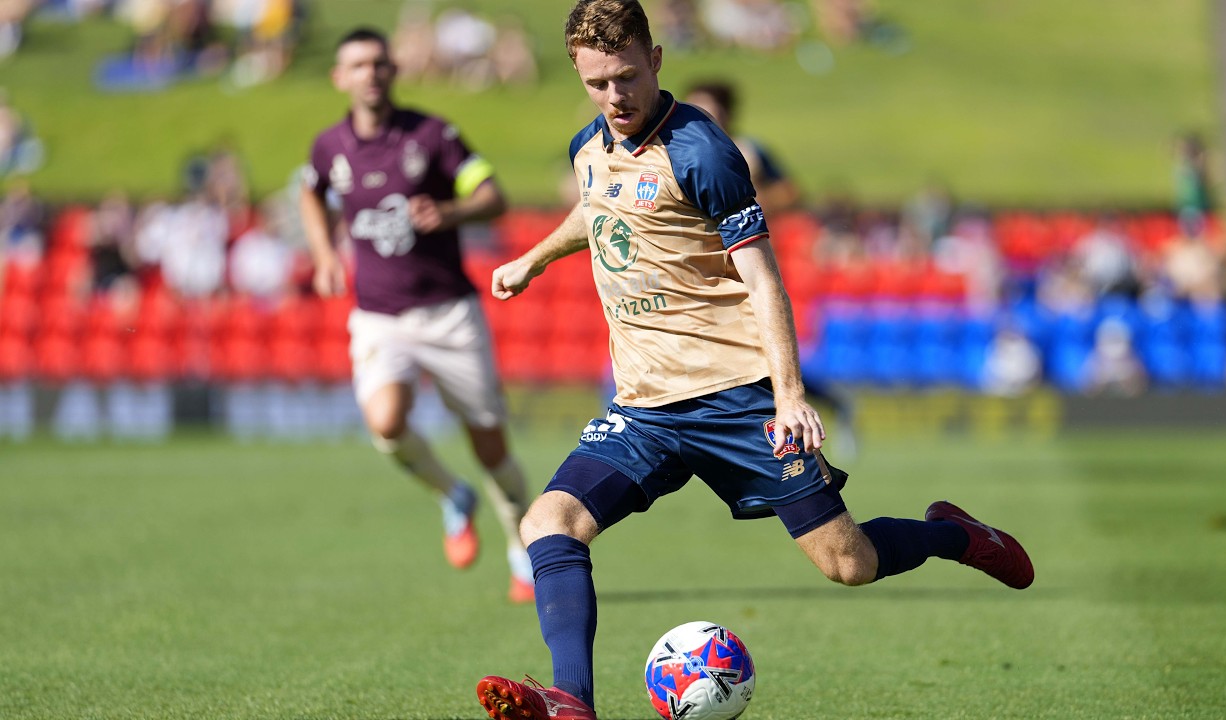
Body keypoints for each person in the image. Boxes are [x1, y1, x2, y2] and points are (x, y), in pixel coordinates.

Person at [474, 3, 1035, 719]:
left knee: (849, 563)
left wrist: (792, 394)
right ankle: (569, 702)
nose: (614, 97)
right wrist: (534, 258)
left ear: (656, 59)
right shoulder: (592, 144)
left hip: (739, 397)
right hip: (645, 406)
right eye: (596, 83)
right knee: (548, 522)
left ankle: (956, 535)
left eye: (625, 77)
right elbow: (597, 206)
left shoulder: (702, 151)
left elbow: (763, 279)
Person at [298, 28, 535, 603]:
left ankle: (521, 547)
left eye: (379, 63)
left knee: (491, 445)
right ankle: (453, 496)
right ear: (340, 77)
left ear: (393, 71)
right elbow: (310, 192)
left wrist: (450, 210)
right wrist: (326, 253)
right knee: (384, 422)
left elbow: (494, 196)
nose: (370, 73)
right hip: (380, 316)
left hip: (449, 312)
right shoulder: (329, 147)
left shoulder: (433, 135)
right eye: (357, 65)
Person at [683, 79, 802, 213]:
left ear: (726, 113)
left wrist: (756, 201)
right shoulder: (670, 153)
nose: (694, 121)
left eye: (704, 113)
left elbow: (790, 193)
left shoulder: (749, 149)